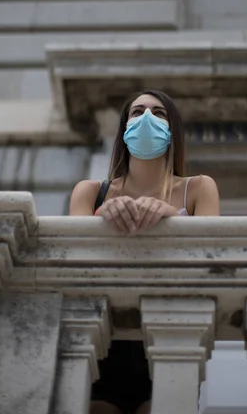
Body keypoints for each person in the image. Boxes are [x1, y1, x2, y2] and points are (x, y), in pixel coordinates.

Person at [69, 89, 220, 414]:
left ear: (173, 128)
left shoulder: (198, 188)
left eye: (159, 112)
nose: (147, 118)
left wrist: (170, 219)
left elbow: (212, 258)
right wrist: (102, 217)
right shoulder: (91, 191)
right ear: (124, 128)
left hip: (172, 330)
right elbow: (74, 259)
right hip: (103, 337)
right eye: (137, 112)